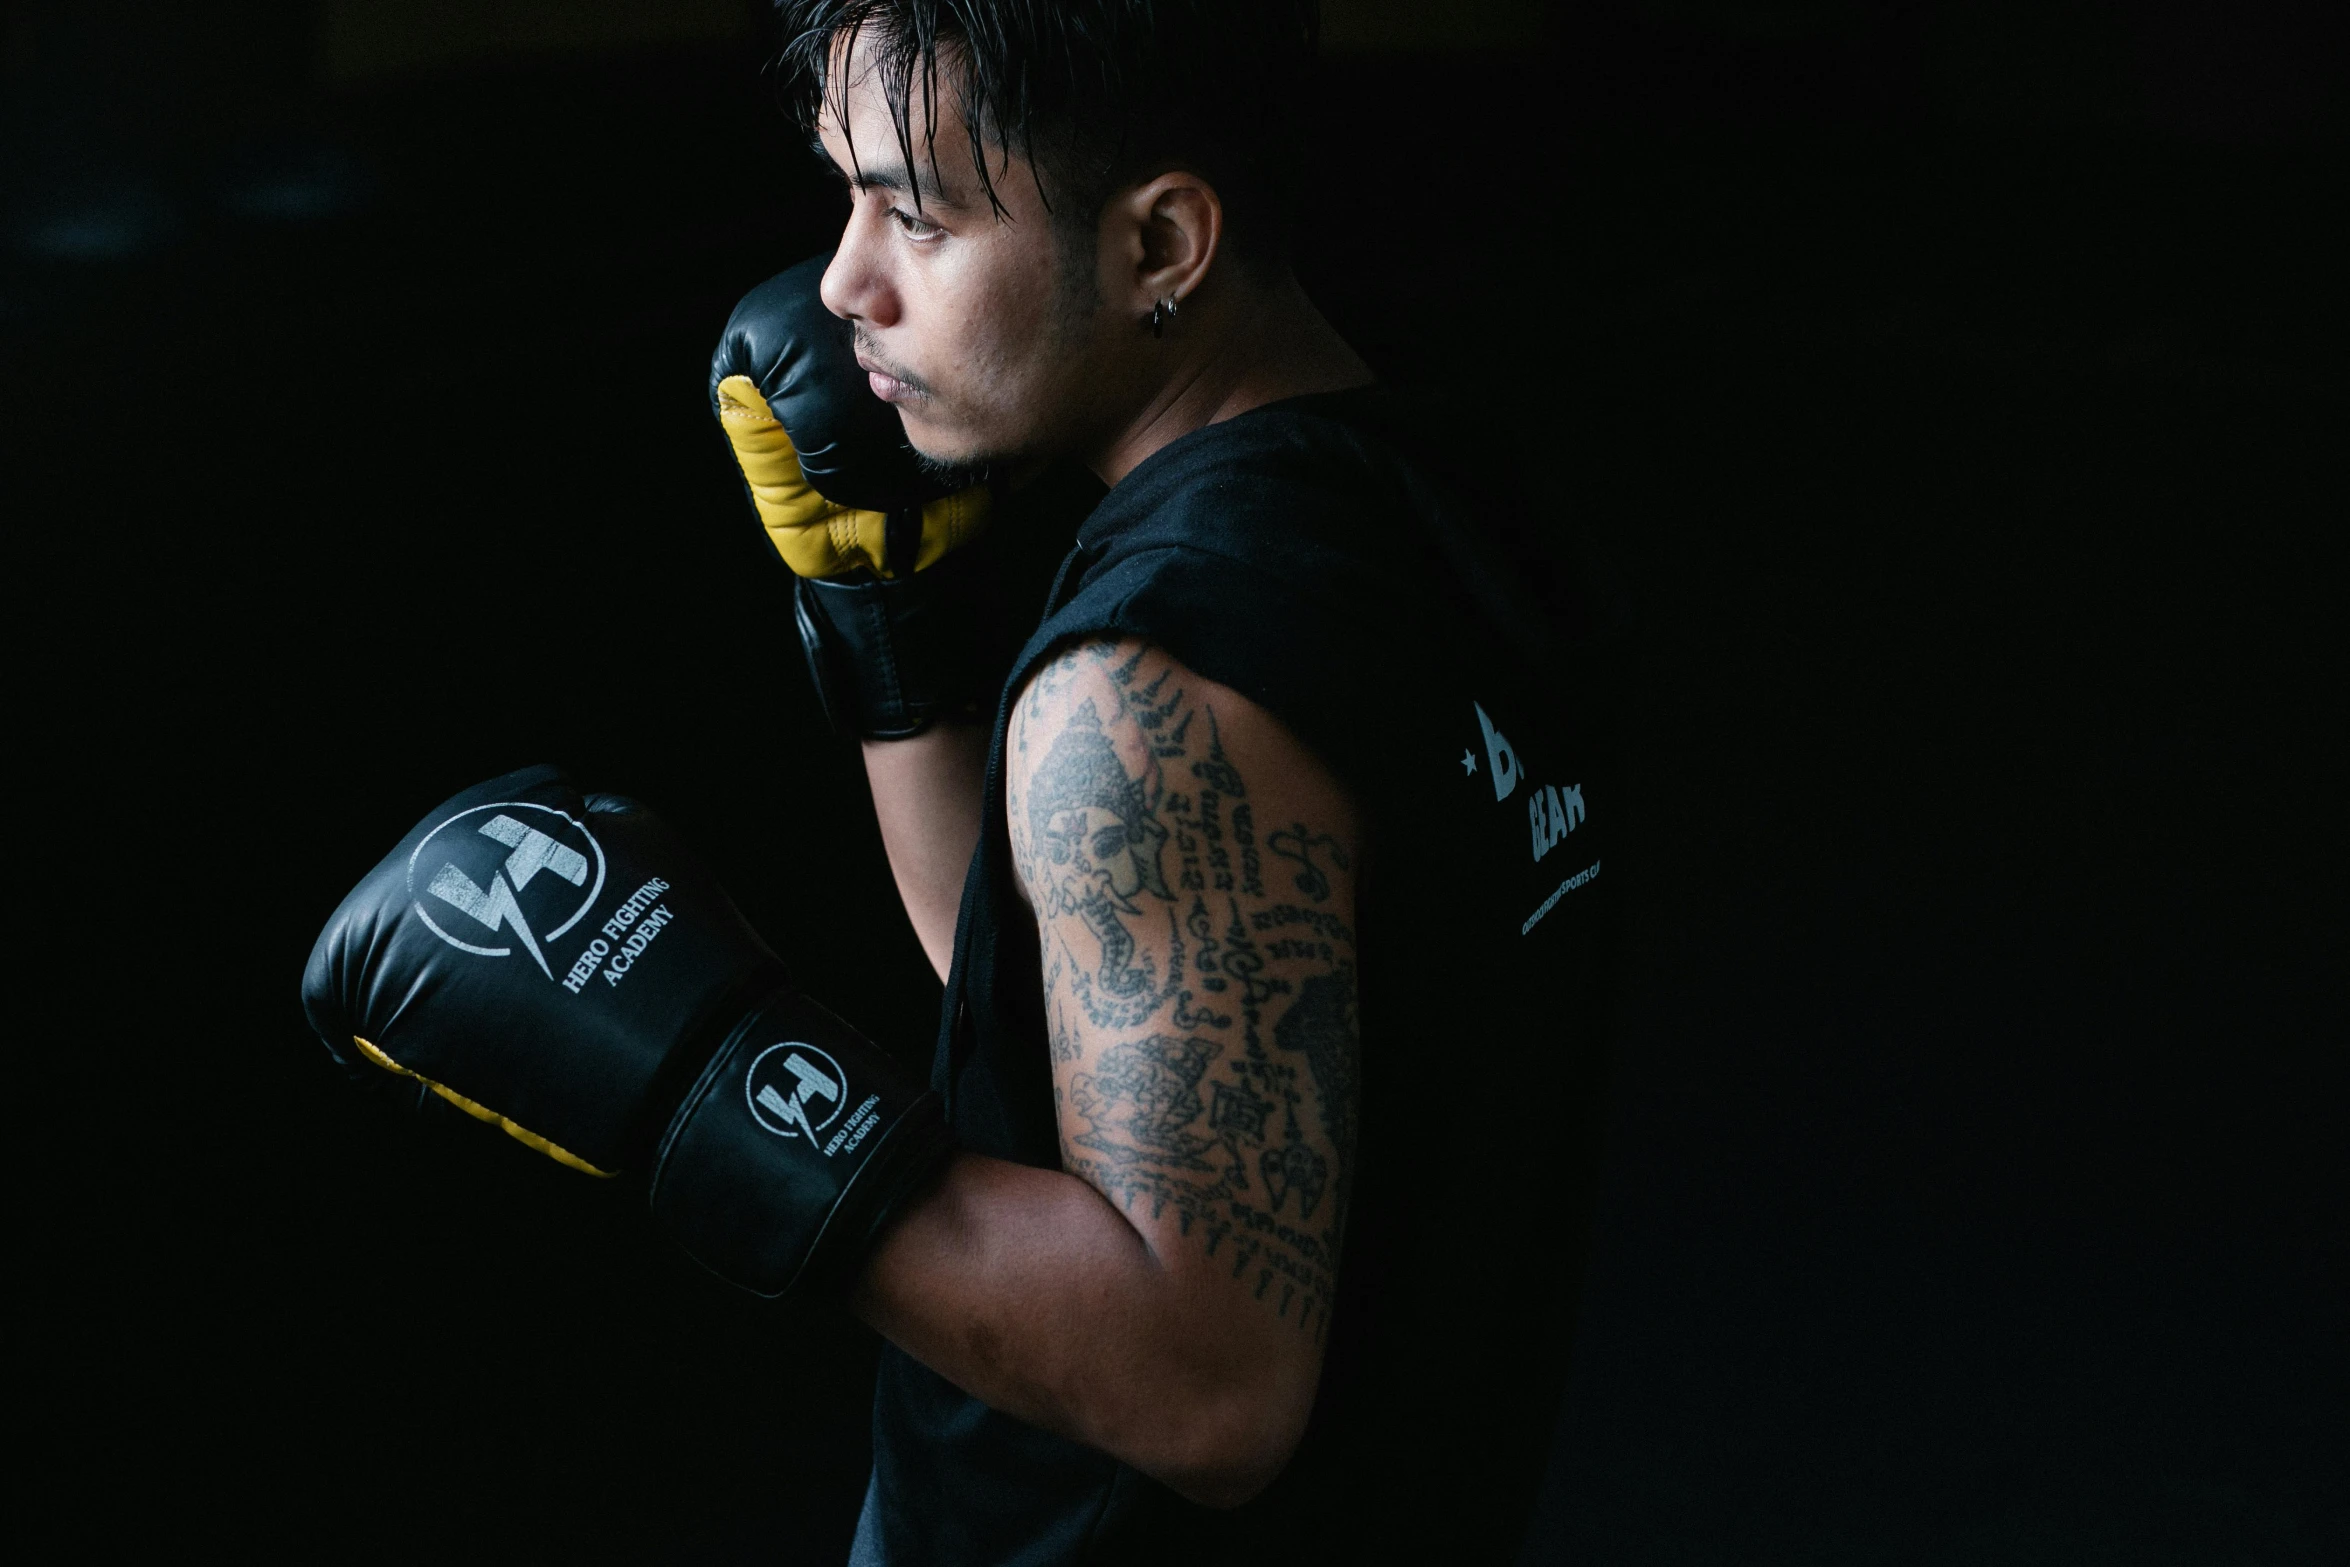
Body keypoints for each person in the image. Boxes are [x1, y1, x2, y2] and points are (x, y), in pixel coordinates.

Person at [306, 3, 1618, 1561]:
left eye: (914, 216)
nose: (845, 284)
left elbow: (1208, 1387)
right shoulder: (1425, 498)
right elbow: (1090, 1012)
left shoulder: (1146, 695)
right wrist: (887, 649)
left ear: (1161, 245)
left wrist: (704, 1084)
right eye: (845, 198)